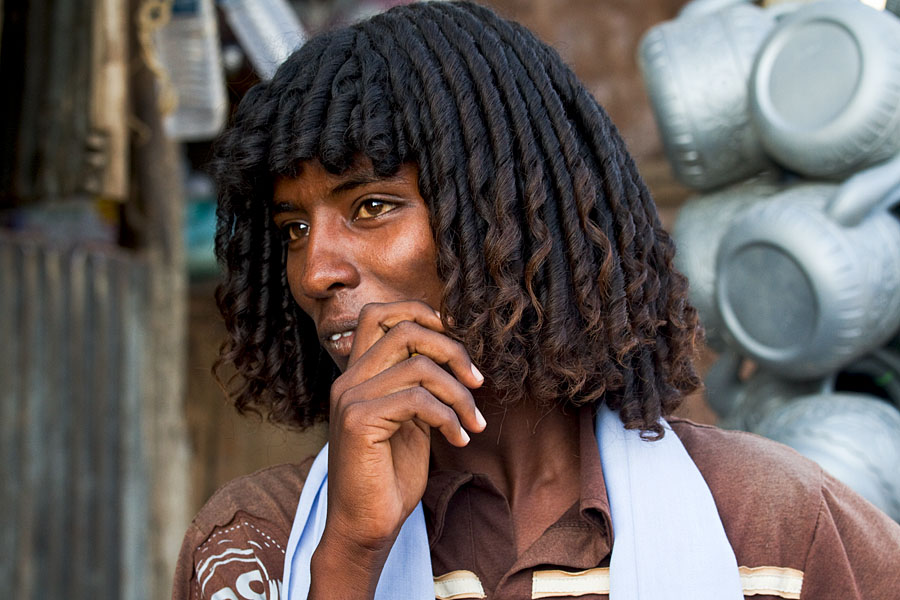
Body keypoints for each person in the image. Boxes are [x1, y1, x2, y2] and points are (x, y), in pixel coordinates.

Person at [172, 2, 900, 599]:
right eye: (293, 227)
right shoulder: (253, 543)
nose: (315, 270)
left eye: (370, 207)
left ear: (510, 218)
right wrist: (352, 553)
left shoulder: (771, 527)